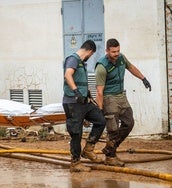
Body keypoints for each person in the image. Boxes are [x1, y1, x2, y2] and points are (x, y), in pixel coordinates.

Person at [95, 38, 151, 167]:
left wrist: (143, 78)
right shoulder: (101, 67)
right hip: (109, 98)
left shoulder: (121, 58)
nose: (116, 54)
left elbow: (131, 67)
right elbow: (99, 91)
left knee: (129, 122)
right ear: (107, 51)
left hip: (121, 96)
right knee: (113, 130)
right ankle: (110, 157)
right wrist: (100, 108)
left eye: (118, 51)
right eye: (113, 51)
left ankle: (110, 148)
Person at [62, 40, 106, 172]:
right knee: (76, 133)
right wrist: (76, 92)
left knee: (100, 121)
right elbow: (67, 74)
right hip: (72, 103)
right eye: (91, 55)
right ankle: (75, 163)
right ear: (90, 51)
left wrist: (89, 97)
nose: (90, 57)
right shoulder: (73, 59)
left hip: (84, 102)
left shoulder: (81, 63)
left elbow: (82, 84)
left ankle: (88, 149)